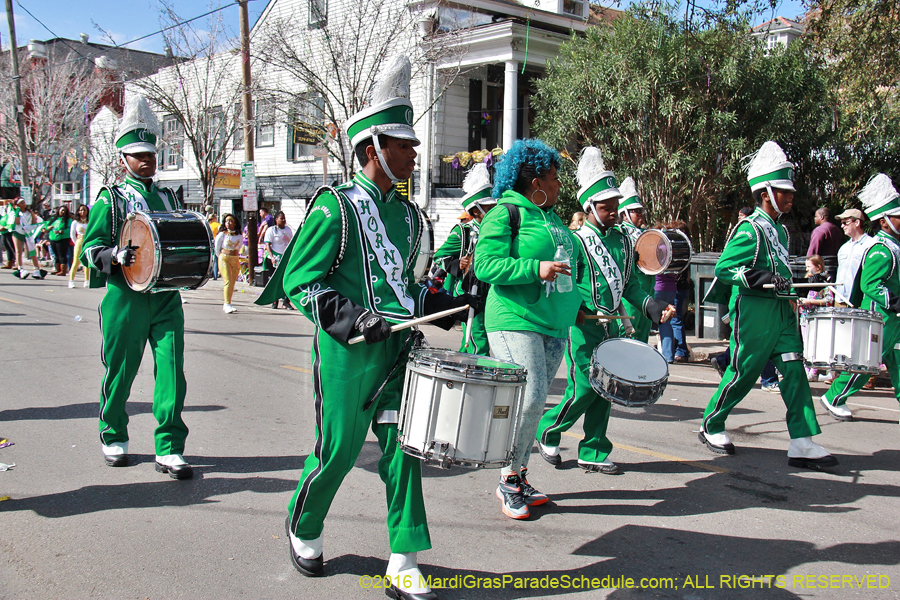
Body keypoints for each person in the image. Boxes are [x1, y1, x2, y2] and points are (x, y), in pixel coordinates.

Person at [256, 55, 475, 600]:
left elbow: (404, 286)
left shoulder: (407, 217)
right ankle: (303, 523)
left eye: (411, 143)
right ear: (372, 148)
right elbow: (301, 283)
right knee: (338, 451)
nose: (413, 152)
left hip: (399, 349)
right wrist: (352, 318)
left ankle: (404, 556)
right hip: (347, 350)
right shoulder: (335, 207)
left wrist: (444, 302)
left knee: (405, 450)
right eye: (403, 144)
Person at [535, 147, 674, 475]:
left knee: (606, 389)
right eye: (606, 207)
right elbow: (563, 286)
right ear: (590, 208)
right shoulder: (575, 242)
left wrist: (650, 306)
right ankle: (547, 430)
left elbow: (630, 287)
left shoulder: (625, 243)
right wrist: (576, 310)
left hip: (613, 327)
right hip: (583, 326)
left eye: (615, 206)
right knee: (584, 387)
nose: (614, 212)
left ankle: (594, 450)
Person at [699, 141, 836, 469]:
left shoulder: (781, 231)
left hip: (782, 313)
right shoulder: (750, 229)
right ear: (765, 193)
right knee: (744, 372)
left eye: (790, 191)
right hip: (754, 311)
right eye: (783, 191)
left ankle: (802, 441)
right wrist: (755, 277)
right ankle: (712, 423)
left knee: (793, 371)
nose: (790, 197)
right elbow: (723, 269)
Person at [80, 94, 193, 479]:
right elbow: (89, 249)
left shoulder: (167, 196)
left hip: (166, 297)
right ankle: (112, 433)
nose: (146, 161)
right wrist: (113, 255)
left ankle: (170, 447)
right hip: (126, 297)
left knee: (172, 373)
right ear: (123, 158)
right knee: (121, 371)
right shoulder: (110, 199)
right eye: (138, 155)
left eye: (150, 154)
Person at [473, 138, 583, 520]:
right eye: (553, 177)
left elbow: (569, 273)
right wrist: (533, 269)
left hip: (553, 323)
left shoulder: (553, 220)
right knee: (532, 396)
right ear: (534, 181)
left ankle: (518, 475)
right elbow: (484, 266)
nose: (558, 185)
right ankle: (506, 479)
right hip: (512, 319)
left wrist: (580, 309)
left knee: (534, 403)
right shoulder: (505, 213)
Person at [821, 174, 900, 422]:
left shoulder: (892, 246)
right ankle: (834, 396)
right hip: (881, 317)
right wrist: (896, 302)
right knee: (868, 364)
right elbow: (870, 285)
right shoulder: (881, 249)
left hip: (892, 317)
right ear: (885, 222)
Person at [432, 162, 496, 355]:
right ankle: (473, 372)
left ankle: (462, 366)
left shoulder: (495, 229)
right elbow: (438, 257)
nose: (492, 209)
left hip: (492, 290)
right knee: (477, 339)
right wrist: (457, 264)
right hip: (470, 291)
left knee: (481, 336)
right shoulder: (462, 232)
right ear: (475, 210)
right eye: (487, 206)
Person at [617, 177, 655, 343]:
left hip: (647, 291)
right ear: (624, 214)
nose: (640, 215)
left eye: (641, 211)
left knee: (642, 336)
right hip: (631, 294)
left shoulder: (645, 233)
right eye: (635, 211)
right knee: (628, 337)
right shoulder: (620, 233)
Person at [655, 220, 692, 363]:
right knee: (667, 321)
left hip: (658, 286)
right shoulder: (678, 247)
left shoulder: (660, 247)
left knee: (650, 321)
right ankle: (668, 355)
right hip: (671, 287)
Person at [798, 254, 834, 382]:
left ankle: (814, 370)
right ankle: (806, 369)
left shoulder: (825, 281)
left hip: (818, 318)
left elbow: (829, 300)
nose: (807, 269)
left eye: (809, 267)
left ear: (818, 267)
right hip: (805, 317)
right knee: (806, 344)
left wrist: (810, 302)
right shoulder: (808, 280)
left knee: (815, 344)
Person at [832, 208, 874, 305]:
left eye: (845, 223)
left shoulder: (871, 245)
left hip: (858, 302)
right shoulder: (844, 248)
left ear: (857, 222)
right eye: (841, 223)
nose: (842, 226)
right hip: (839, 300)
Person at [263, 210, 294, 309]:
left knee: (285, 279)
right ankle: (274, 300)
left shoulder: (288, 230)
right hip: (275, 257)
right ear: (276, 219)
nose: (283, 220)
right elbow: (267, 244)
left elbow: (291, 243)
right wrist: (272, 256)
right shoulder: (271, 230)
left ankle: (286, 301)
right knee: (275, 280)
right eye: (281, 218)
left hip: (285, 257)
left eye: (284, 218)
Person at [10, 198, 46, 280]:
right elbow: (16, 222)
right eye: (21, 203)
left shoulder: (29, 212)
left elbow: (34, 222)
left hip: (28, 233)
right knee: (19, 251)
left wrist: (33, 222)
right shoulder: (15, 212)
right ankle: (20, 268)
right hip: (18, 232)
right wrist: (17, 212)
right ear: (17, 204)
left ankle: (37, 269)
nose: (24, 204)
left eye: (24, 202)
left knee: (32, 251)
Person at [215, 213, 242, 314]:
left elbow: (239, 248)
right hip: (224, 258)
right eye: (227, 221)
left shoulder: (239, 236)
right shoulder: (222, 234)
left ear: (235, 223)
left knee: (233, 282)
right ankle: (226, 304)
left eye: (231, 221)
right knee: (227, 281)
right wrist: (221, 256)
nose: (228, 223)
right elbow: (217, 248)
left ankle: (229, 302)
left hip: (234, 258)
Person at [68, 204, 91, 288]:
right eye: (81, 210)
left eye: (84, 210)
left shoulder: (90, 221)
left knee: (87, 261)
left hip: (87, 242)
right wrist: (76, 242)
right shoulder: (75, 222)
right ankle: (71, 280)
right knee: (76, 261)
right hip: (79, 241)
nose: (82, 212)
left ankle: (87, 280)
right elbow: (72, 234)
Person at [48, 205, 72, 277]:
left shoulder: (68, 220)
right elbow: (46, 225)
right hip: (53, 238)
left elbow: (70, 229)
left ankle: (63, 270)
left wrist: (61, 231)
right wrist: (48, 227)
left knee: (62, 254)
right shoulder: (53, 219)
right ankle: (57, 269)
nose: (63, 212)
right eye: (61, 210)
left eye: (64, 210)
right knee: (56, 255)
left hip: (63, 239)